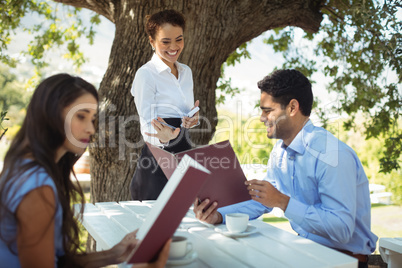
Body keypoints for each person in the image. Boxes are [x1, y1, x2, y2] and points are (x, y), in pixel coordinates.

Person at [193, 69, 378, 268]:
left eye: (267, 110)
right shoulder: (280, 152)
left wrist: (282, 201)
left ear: (292, 108)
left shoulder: (332, 155)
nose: (262, 118)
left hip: (342, 262)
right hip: (304, 254)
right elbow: (263, 200)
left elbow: (342, 229)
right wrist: (218, 215)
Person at [0, 74, 170, 268]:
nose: (91, 129)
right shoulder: (36, 188)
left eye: (93, 119)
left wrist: (114, 254)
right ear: (50, 113)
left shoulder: (24, 165)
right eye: (81, 116)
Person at [130, 9, 199, 201]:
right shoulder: (146, 74)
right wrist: (164, 139)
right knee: (155, 224)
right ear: (152, 42)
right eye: (165, 42)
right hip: (157, 155)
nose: (174, 47)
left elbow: (183, 114)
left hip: (184, 150)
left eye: (179, 39)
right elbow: (145, 122)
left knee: (189, 221)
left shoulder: (186, 72)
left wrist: (191, 119)